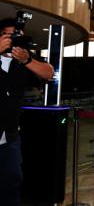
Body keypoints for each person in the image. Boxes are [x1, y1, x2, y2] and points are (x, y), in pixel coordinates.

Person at [0, 18, 54, 206]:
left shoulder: (22, 61)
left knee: (12, 182)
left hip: (9, 138)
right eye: (9, 35)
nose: (14, 40)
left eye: (18, 37)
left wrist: (27, 60)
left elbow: (49, 72)